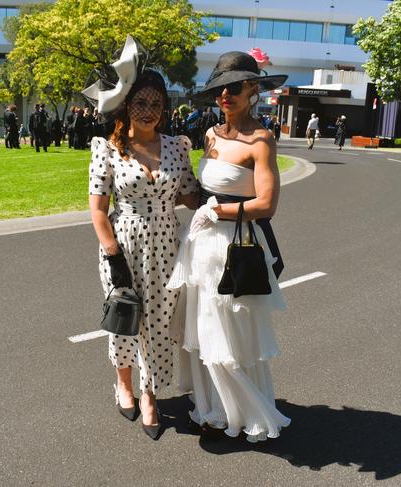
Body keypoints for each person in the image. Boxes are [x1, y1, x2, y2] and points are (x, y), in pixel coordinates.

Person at [167, 51, 291, 442]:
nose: (226, 95)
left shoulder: (261, 140)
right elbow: (202, 188)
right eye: (221, 88)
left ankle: (236, 411)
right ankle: (210, 408)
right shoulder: (211, 134)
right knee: (203, 330)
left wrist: (217, 211)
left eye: (235, 87)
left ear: (253, 90)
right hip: (200, 246)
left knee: (229, 334)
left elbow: (266, 204)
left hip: (234, 247)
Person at [84, 35, 199, 440]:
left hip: (167, 245)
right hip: (123, 245)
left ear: (165, 108)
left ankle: (151, 393)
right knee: (125, 317)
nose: (149, 111)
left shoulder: (177, 147)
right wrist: (113, 254)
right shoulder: (108, 148)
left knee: (161, 322)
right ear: (126, 104)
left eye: (156, 103)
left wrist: (230, 183)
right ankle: (125, 385)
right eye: (141, 102)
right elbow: (98, 210)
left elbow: (190, 195)